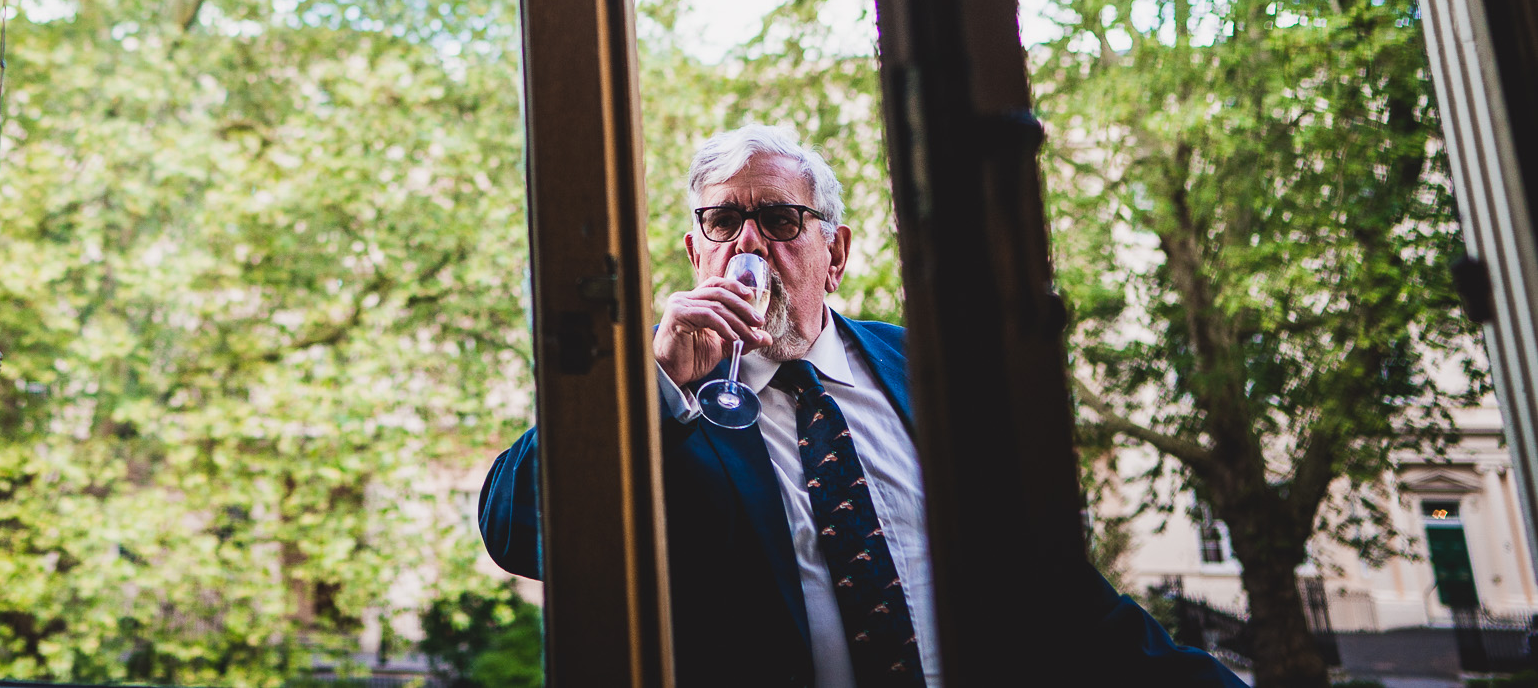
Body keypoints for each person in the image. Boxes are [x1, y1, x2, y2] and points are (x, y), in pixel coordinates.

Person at [479, 125, 1239, 688]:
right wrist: (655, 381)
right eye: (723, 221)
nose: (750, 241)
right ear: (696, 250)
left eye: (780, 219)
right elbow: (518, 529)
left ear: (834, 253)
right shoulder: (659, 394)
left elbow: (1048, 586)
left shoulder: (929, 371)